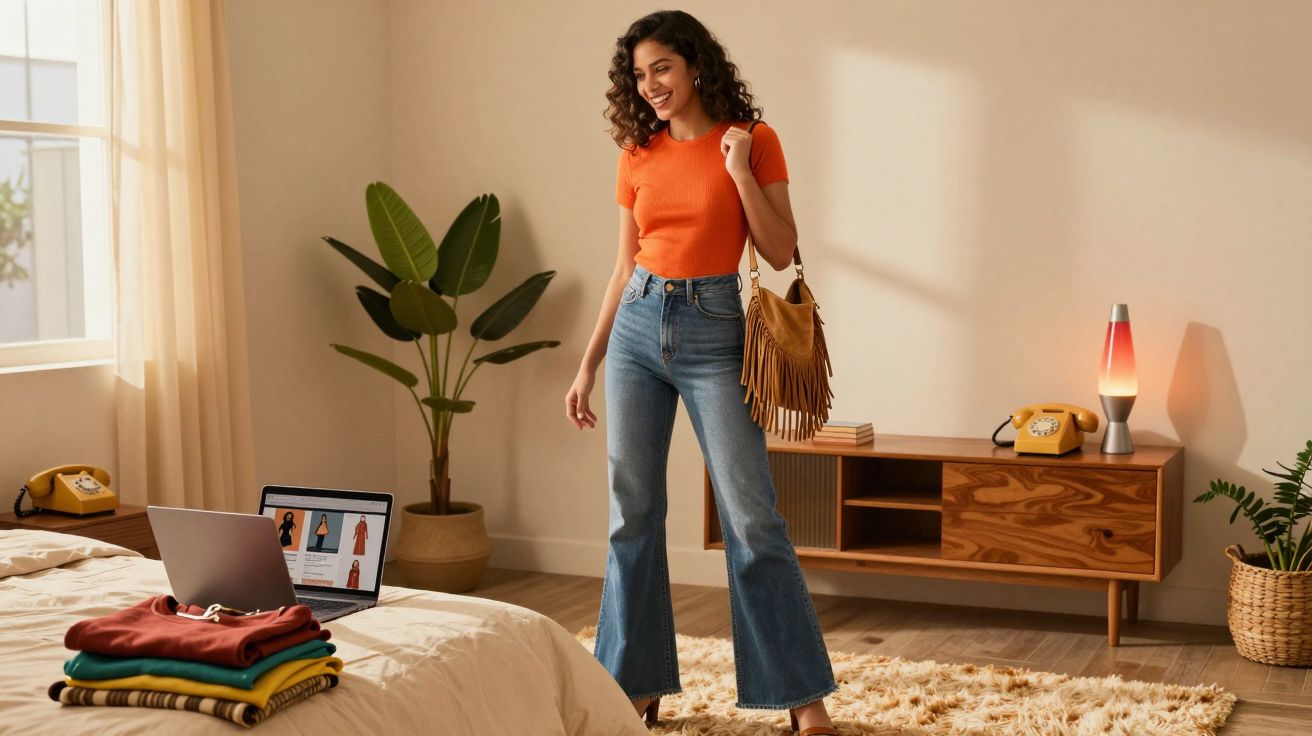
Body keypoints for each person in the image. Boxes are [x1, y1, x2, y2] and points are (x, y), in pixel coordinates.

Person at [565, 10, 837, 734]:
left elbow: (779, 251)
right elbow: (624, 265)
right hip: (636, 330)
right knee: (634, 515)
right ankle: (635, 685)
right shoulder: (637, 151)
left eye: (662, 68)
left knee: (752, 518)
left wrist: (739, 171)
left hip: (718, 328)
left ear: (693, 66)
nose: (650, 84)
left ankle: (801, 695)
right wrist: (587, 365)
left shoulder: (751, 139)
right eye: (639, 73)